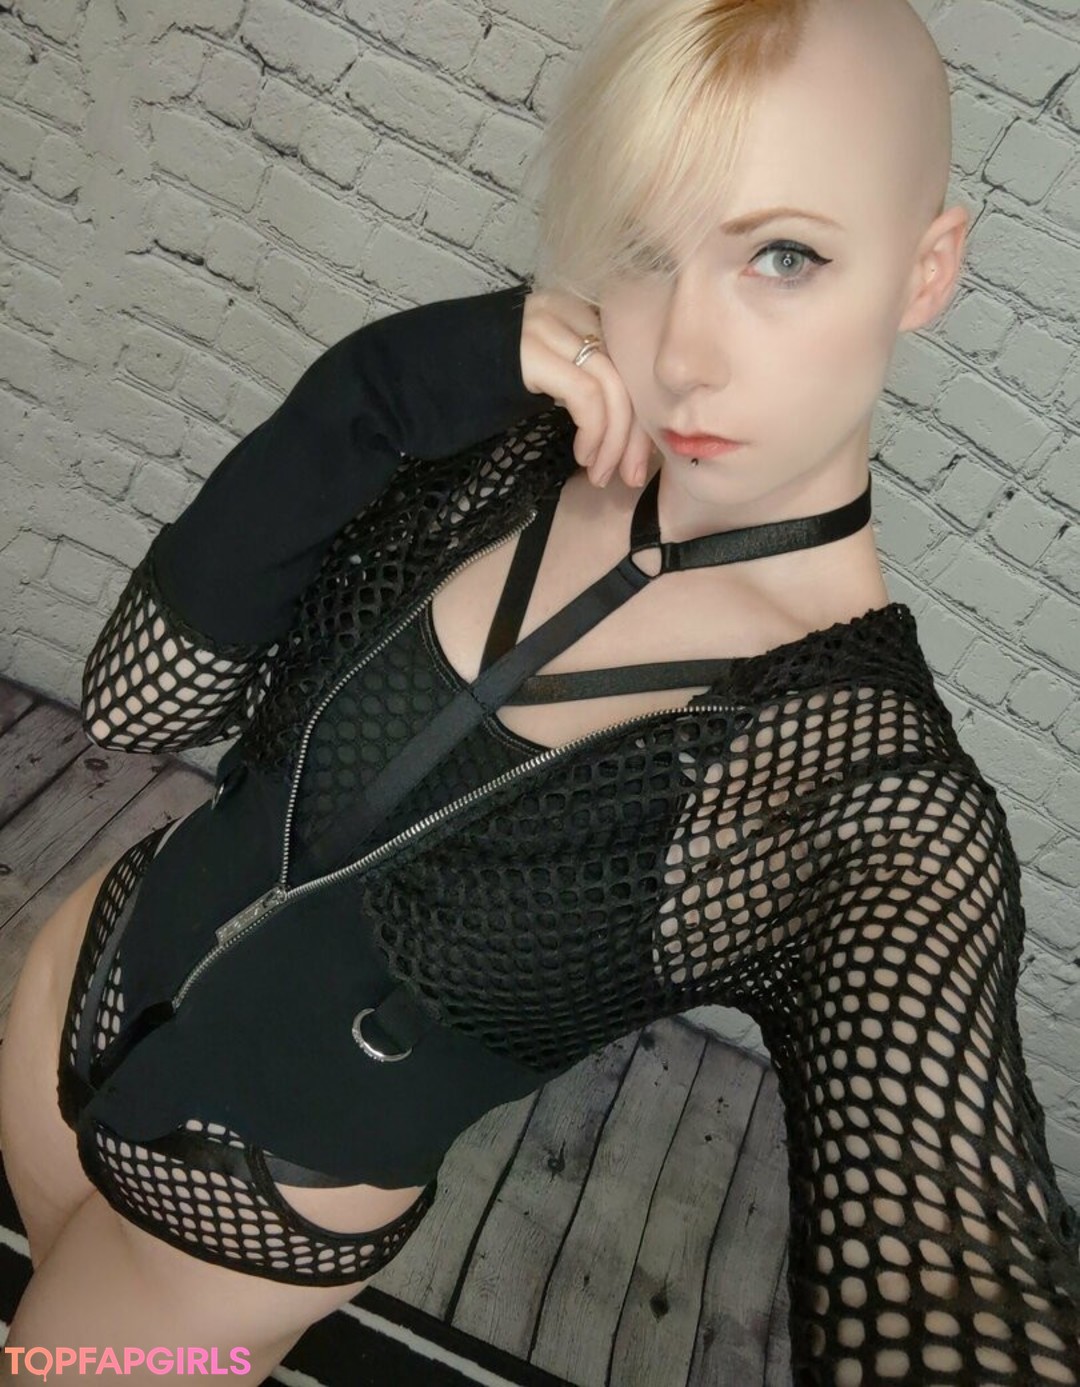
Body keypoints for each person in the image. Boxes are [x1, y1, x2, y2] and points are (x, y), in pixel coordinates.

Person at [1, 0, 1077, 1380]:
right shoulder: (501, 433)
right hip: (68, 979)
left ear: (926, 270)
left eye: (785, 256)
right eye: (645, 244)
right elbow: (137, 705)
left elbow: (944, 1270)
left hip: (229, 1228)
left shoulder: (865, 793)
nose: (683, 352)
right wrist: (383, 386)